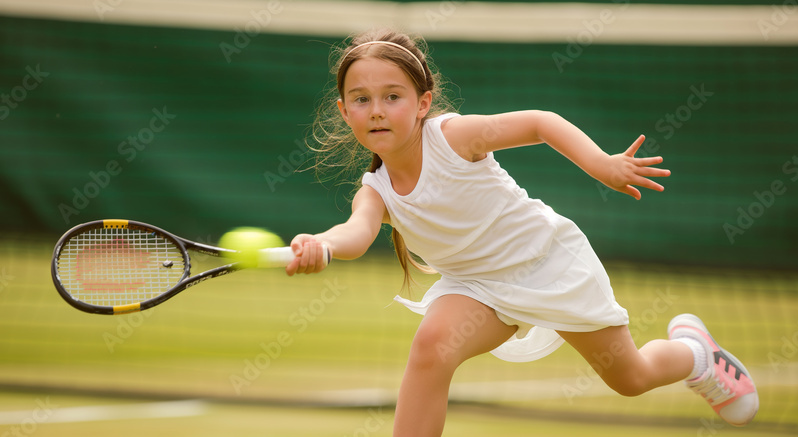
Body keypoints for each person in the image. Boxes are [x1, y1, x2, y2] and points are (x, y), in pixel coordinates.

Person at [284, 28, 758, 436]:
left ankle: (697, 355)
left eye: (393, 96)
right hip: (475, 287)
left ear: (423, 102)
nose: (377, 111)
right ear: (346, 112)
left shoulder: (455, 137)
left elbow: (539, 123)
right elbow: (355, 233)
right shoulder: (376, 190)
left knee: (630, 377)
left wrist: (603, 166)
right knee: (431, 347)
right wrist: (320, 245)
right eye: (362, 100)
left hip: (546, 262)